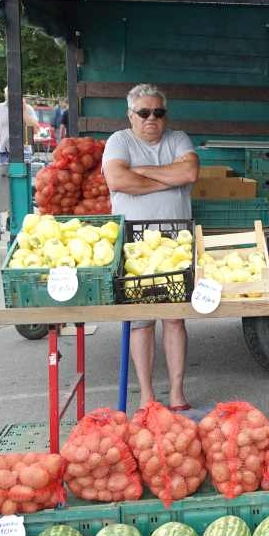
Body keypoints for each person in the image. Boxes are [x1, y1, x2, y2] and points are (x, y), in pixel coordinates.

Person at [102, 84, 200, 411]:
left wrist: (141, 172)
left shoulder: (178, 138)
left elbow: (189, 171)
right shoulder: (119, 141)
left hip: (176, 244)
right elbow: (118, 180)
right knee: (141, 322)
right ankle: (146, 395)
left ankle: (176, 392)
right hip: (135, 247)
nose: (151, 119)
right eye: (143, 113)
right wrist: (166, 179)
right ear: (130, 115)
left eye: (158, 112)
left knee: (174, 319)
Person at [0, 87, 39, 164]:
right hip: (4, 152)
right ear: (5, 96)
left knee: (19, 175)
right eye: (9, 96)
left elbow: (35, 129)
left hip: (24, 152)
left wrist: (24, 111)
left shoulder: (28, 109)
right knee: (4, 175)